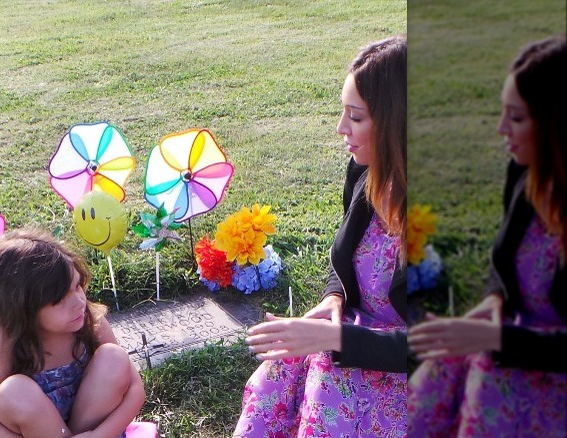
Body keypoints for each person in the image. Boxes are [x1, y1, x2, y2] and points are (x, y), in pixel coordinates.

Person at [234, 34, 407, 436]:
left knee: (328, 389)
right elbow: (344, 260)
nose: (340, 128)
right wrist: (334, 299)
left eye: (356, 117)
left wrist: (336, 336)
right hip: (352, 333)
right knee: (274, 377)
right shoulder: (365, 171)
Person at [407, 34, 566, 436]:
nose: (500, 129)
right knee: (418, 405)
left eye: (516, 117)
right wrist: (494, 300)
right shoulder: (526, 172)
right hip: (507, 337)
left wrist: (494, 337)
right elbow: (507, 258)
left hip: (551, 367)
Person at [0, 227, 146, 438]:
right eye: (60, 299)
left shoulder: (91, 321)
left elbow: (136, 389)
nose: (79, 301)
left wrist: (97, 435)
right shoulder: (7, 339)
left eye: (77, 286)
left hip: (93, 431)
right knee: (13, 392)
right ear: (24, 308)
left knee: (115, 358)